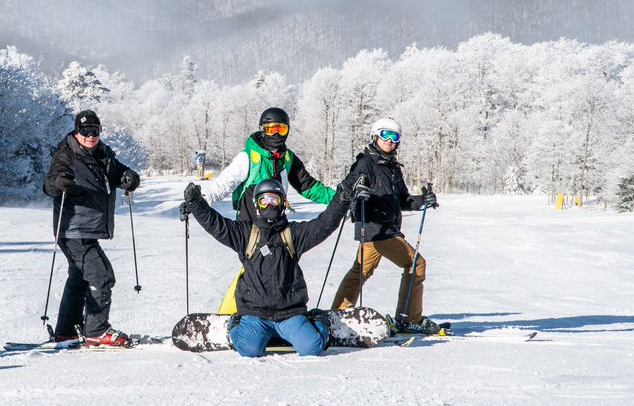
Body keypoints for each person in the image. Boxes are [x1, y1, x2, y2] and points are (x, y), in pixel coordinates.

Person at [185, 106, 339, 314]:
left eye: (281, 130)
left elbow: (308, 186)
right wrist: (198, 203)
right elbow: (223, 184)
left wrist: (338, 199)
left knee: (273, 269)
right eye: (271, 129)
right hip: (251, 223)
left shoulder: (287, 158)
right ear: (262, 130)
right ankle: (232, 313)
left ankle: (270, 315)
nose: (276, 134)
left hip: (277, 224)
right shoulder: (249, 157)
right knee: (253, 269)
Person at [181, 178, 353, 357]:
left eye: (274, 200)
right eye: (265, 200)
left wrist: (341, 198)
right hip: (256, 312)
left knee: (313, 347)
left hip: (289, 313)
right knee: (248, 350)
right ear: (257, 205)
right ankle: (236, 322)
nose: (270, 204)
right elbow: (216, 225)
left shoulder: (293, 234)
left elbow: (323, 225)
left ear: (282, 203)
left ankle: (317, 319)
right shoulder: (246, 234)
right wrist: (195, 202)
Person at [330, 117, 441, 334]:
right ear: (375, 136)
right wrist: (358, 194)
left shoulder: (391, 167)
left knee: (360, 271)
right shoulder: (366, 163)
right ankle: (409, 318)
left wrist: (423, 200)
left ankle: (338, 313)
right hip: (377, 229)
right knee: (416, 264)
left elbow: (402, 200)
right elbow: (346, 188)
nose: (390, 141)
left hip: (382, 230)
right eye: (385, 135)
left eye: (395, 137)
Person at [43, 109, 141, 347]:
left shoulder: (103, 153)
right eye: (85, 131)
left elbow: (119, 173)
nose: (90, 136)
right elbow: (49, 184)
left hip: (88, 229)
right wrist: (59, 182)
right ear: (77, 132)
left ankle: (66, 331)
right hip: (73, 229)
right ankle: (97, 330)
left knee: (79, 277)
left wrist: (129, 177)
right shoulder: (66, 154)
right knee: (102, 276)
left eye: (94, 131)